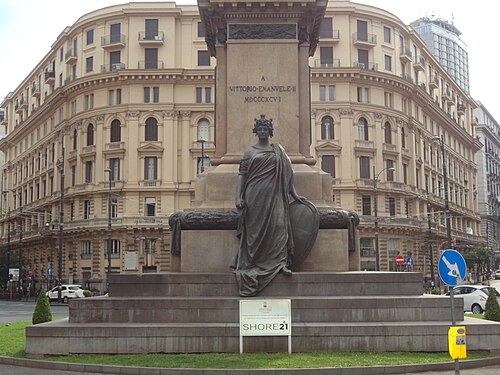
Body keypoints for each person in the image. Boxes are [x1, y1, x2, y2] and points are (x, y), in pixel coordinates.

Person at [232, 115, 303, 297]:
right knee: (254, 233)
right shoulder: (249, 152)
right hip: (254, 195)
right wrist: (238, 197)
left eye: (266, 129)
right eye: (261, 129)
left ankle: (280, 263)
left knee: (279, 227)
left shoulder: (278, 151)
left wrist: (294, 194)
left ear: (270, 132)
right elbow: (242, 175)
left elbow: (288, 174)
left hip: (276, 194)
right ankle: (252, 262)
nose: (263, 132)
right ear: (257, 131)